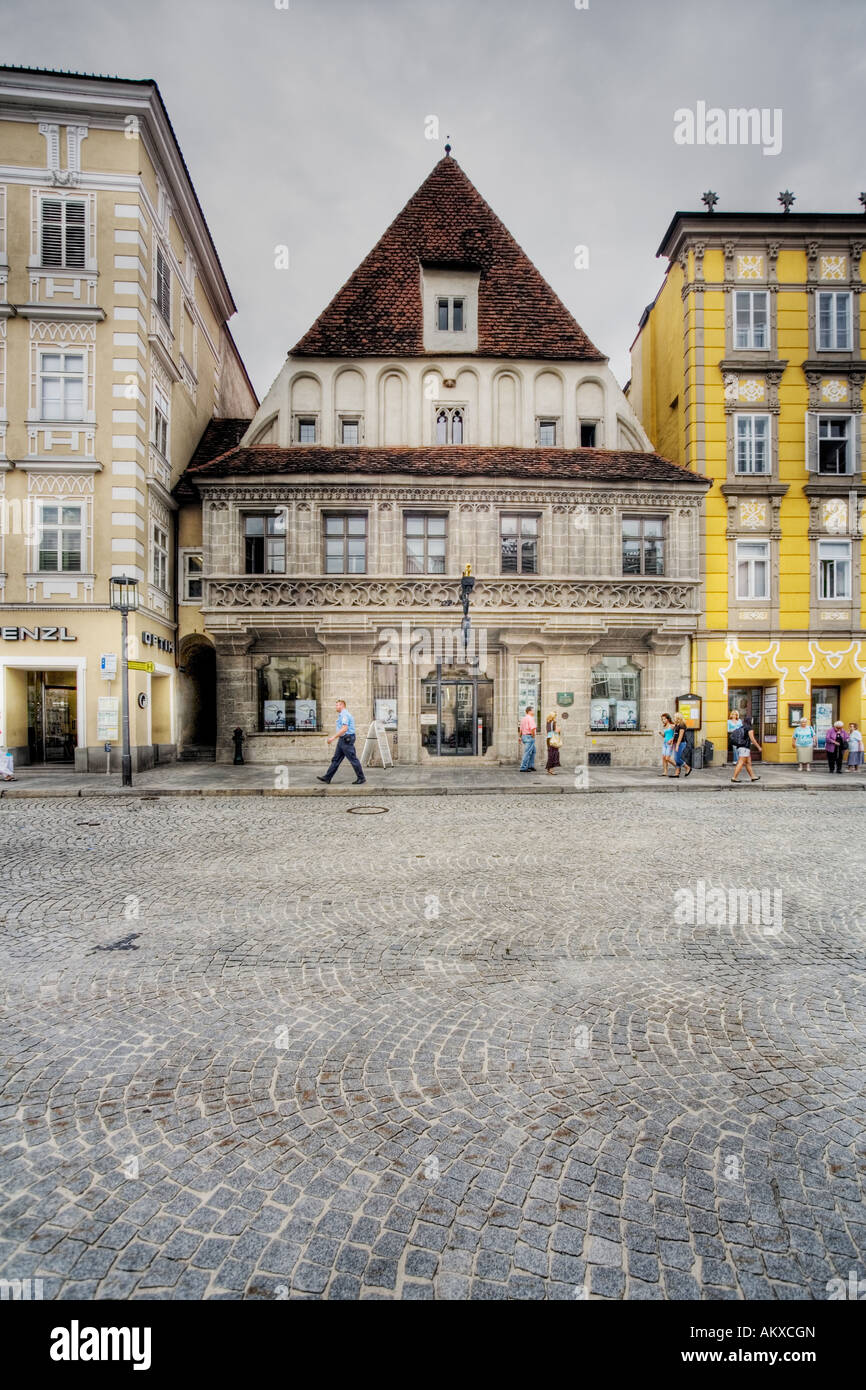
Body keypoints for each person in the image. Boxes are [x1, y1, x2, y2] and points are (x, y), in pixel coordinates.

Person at [317, 699, 366, 785]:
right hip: (342, 739)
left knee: (353, 759)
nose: (336, 707)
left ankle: (361, 778)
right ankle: (327, 777)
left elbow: (344, 728)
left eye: (337, 705)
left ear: (342, 705)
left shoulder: (344, 714)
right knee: (336, 759)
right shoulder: (342, 714)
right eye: (336, 705)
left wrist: (333, 738)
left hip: (346, 739)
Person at [730, 713, 761, 782]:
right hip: (744, 748)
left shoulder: (742, 727)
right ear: (750, 721)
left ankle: (753, 777)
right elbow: (752, 739)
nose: (753, 721)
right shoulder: (749, 728)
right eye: (752, 720)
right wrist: (758, 747)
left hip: (741, 747)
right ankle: (734, 777)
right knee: (741, 763)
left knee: (748, 763)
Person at [670, 714, 693, 778]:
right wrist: (672, 740)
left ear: (678, 718)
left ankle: (687, 767)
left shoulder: (682, 725)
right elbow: (675, 734)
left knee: (677, 759)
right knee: (677, 757)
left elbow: (680, 736)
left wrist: (677, 745)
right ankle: (677, 773)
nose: (674, 718)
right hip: (676, 743)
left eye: (674, 717)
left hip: (680, 743)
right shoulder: (677, 725)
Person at [518, 705, 537, 772]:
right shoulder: (530, 718)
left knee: (533, 751)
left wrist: (520, 737)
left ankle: (530, 766)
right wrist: (533, 736)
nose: (533, 711)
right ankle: (523, 767)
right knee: (527, 752)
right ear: (529, 711)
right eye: (533, 710)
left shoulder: (523, 718)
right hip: (529, 737)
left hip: (524, 736)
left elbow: (520, 729)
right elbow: (533, 728)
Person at [660, 712, 676, 776]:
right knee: (663, 758)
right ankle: (665, 772)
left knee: (667, 758)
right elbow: (665, 735)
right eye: (662, 719)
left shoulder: (672, 725)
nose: (663, 720)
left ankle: (678, 767)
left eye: (664, 719)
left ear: (668, 719)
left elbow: (676, 734)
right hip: (665, 743)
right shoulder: (664, 726)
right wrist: (661, 734)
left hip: (670, 744)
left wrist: (672, 740)